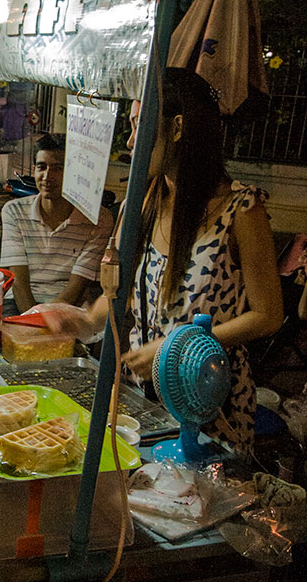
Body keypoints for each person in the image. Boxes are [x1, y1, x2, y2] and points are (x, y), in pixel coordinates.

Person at [47, 68, 284, 456]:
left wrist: (173, 347)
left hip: (210, 403)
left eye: (139, 125)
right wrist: (87, 319)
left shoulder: (242, 210)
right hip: (144, 400)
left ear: (176, 128)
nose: (130, 139)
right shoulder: (142, 202)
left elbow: (268, 315)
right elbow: (119, 287)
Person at [0, 133, 113, 312]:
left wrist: (44, 327)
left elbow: (76, 288)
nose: (47, 176)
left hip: (69, 308)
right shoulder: (14, 211)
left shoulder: (98, 219)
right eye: (41, 167)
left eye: (58, 168)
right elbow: (19, 283)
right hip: (19, 304)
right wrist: (30, 322)